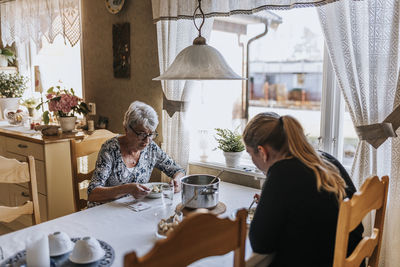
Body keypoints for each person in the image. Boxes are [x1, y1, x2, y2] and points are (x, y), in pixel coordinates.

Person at [243, 112, 364, 267]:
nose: (253, 162)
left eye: (249, 153)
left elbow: (260, 243)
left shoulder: (281, 173)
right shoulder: (325, 159)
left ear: (262, 152)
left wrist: (267, 205)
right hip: (350, 257)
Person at [87, 101, 185, 207]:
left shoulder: (151, 148)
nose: (147, 141)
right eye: (142, 134)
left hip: (132, 209)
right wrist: (127, 189)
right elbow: (92, 193)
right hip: (104, 211)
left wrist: (177, 181)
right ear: (126, 129)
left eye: (151, 134)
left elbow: (178, 171)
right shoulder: (110, 150)